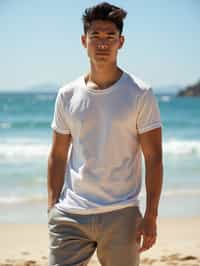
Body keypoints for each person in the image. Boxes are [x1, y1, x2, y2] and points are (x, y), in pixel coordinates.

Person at [47, 2, 163, 266]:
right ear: (83, 41)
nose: (102, 44)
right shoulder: (67, 94)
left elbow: (154, 157)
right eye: (95, 36)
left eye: (110, 37)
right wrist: (52, 205)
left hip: (121, 213)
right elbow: (57, 153)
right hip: (70, 214)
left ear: (121, 42)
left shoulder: (140, 93)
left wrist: (151, 215)